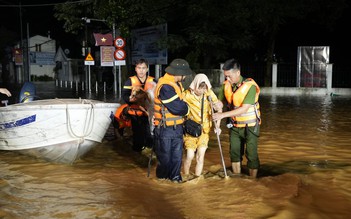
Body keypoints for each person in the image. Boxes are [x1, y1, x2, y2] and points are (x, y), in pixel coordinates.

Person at [212, 58, 261, 178]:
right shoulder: (226, 85)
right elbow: (220, 106)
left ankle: (252, 181)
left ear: (237, 73)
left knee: (251, 154)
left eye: (229, 76)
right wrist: (217, 125)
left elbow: (244, 109)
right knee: (234, 153)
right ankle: (237, 180)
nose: (227, 79)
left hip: (250, 126)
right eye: (225, 76)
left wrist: (222, 115)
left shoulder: (250, 86)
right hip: (234, 126)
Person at [153, 58, 192, 182]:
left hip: (177, 128)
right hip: (165, 129)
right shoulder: (165, 87)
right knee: (165, 161)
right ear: (178, 73)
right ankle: (162, 184)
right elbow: (178, 108)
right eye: (184, 73)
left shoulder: (176, 84)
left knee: (177, 159)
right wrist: (187, 108)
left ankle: (176, 182)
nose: (186, 76)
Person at [182, 73, 223, 179]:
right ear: (194, 85)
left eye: (204, 88)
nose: (201, 91)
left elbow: (218, 109)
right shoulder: (187, 95)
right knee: (190, 155)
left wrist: (217, 126)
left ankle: (197, 178)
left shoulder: (209, 94)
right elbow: (176, 107)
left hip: (204, 131)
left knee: (200, 157)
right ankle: (186, 176)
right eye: (199, 88)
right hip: (190, 130)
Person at [122, 59, 156, 152]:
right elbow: (124, 95)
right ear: (136, 69)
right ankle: (137, 157)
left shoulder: (153, 80)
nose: (141, 70)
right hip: (135, 114)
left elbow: (158, 96)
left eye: (143, 68)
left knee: (151, 137)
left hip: (150, 114)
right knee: (138, 138)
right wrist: (130, 100)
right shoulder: (130, 81)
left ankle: (150, 155)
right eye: (139, 68)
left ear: (147, 69)